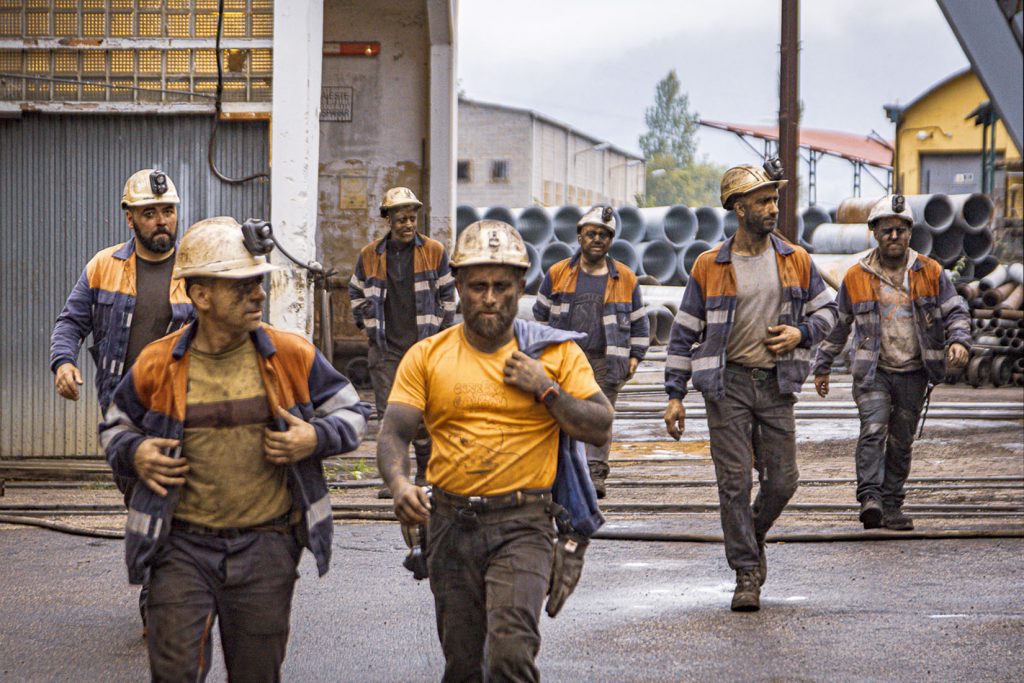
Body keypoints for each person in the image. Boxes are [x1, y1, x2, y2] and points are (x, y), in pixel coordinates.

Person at [100, 217, 371, 682]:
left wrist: (315, 438)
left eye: (258, 283)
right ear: (201, 295)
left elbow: (353, 413)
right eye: (241, 285)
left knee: (257, 674)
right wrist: (134, 451)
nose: (258, 294)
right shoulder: (158, 362)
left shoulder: (290, 355)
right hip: (180, 546)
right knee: (174, 672)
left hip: (265, 546)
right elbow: (114, 425)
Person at [377, 220, 613, 682]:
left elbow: (601, 426)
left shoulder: (554, 356)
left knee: (510, 656)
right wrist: (400, 483)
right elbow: (394, 432)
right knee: (463, 666)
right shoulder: (427, 356)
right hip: (449, 525)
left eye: (502, 286)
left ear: (520, 287)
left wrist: (546, 391)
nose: (490, 298)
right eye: (478, 286)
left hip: (521, 525)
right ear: (458, 287)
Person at [662, 162, 838, 612]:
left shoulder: (795, 259)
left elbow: (830, 312)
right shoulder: (709, 265)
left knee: (783, 480)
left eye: (774, 199)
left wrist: (802, 334)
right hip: (729, 384)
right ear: (738, 209)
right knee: (734, 482)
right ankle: (746, 572)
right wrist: (675, 394)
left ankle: (752, 534)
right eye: (763, 201)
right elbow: (683, 331)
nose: (772, 208)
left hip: (777, 383)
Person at [49, 168, 193, 632]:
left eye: (167, 211)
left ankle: (163, 603)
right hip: (124, 418)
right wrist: (63, 363)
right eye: (149, 213)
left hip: (183, 414)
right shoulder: (104, 266)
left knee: (173, 510)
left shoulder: (197, 268)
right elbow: (71, 322)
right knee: (143, 507)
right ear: (129, 218)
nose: (161, 221)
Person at [812, 194, 970, 531]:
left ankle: (892, 505)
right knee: (873, 429)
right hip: (873, 372)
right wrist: (822, 364)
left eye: (900, 230)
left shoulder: (931, 272)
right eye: (887, 230)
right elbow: (840, 323)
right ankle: (870, 498)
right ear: (875, 233)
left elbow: (954, 310)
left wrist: (958, 340)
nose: (894, 236)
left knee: (901, 439)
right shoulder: (857, 276)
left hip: (915, 371)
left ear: (910, 232)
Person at [533, 205, 649, 497]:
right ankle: (563, 470)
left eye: (604, 235)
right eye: (592, 234)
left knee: (600, 416)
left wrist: (635, 356)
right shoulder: (558, 273)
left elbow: (639, 322)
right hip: (567, 359)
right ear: (580, 237)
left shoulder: (625, 278)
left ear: (611, 241)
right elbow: (541, 314)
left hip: (606, 359)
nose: (597, 239)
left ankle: (595, 475)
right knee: (562, 414)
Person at [348, 187, 455, 497]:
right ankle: (394, 479)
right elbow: (355, 290)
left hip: (424, 347)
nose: (408, 225)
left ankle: (424, 473)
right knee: (389, 414)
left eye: (412, 218)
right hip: (385, 347)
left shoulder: (433, 251)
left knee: (423, 412)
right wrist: (368, 322)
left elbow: (449, 294)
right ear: (388, 219)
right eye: (401, 219)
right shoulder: (370, 255)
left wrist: (441, 328)